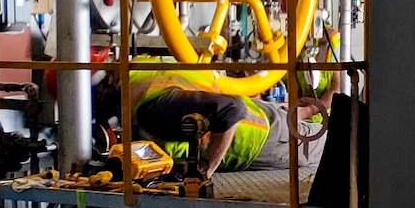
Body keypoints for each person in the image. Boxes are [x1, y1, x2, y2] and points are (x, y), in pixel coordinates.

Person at [96, 70, 323, 179]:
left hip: (261, 140)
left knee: (342, 149)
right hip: (265, 119)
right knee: (342, 139)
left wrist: (206, 167)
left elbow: (231, 110)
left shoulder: (151, 110)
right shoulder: (142, 74)